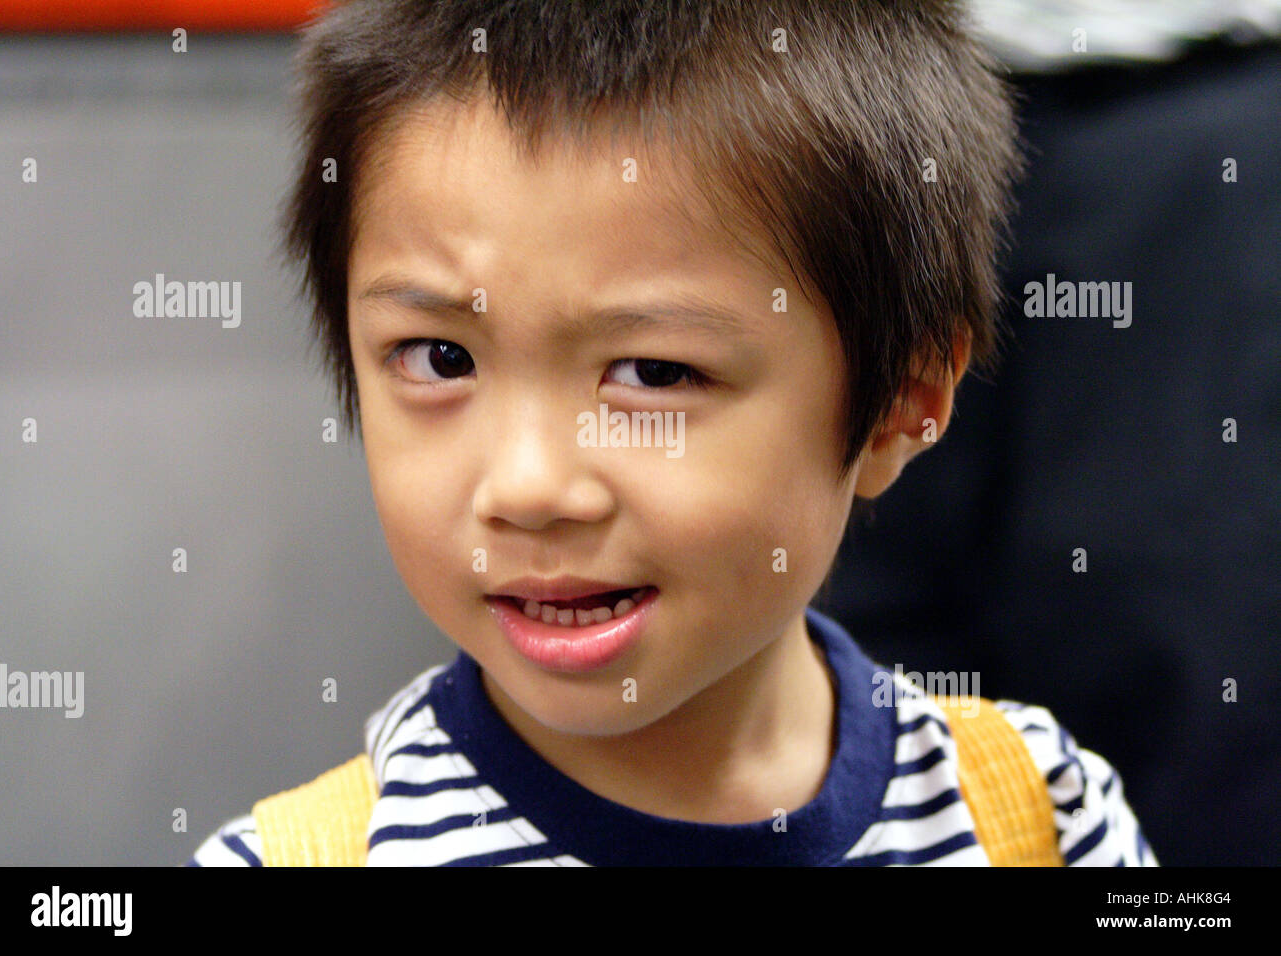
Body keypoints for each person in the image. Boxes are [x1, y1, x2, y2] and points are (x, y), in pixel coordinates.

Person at [188, 0, 1155, 866]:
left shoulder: (1041, 821)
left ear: (903, 399)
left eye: (653, 374)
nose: (526, 487)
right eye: (440, 358)